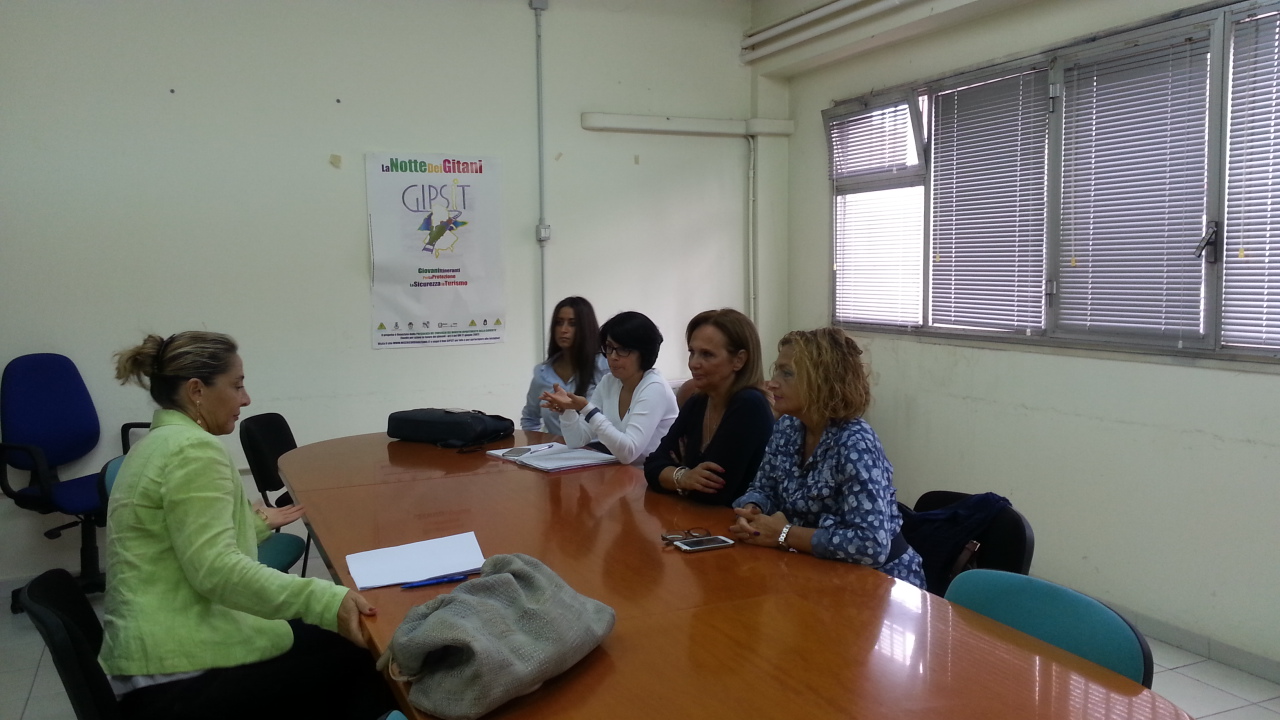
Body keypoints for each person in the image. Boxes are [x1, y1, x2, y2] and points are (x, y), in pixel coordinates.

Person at [101, 332, 395, 720]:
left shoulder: (157, 444)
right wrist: (325, 599)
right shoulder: (193, 450)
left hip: (149, 654)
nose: (246, 399)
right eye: (237, 385)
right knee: (369, 658)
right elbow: (217, 572)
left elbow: (181, 539)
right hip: (177, 675)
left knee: (338, 642)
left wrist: (253, 524)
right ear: (196, 391)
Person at [728, 328, 925, 588]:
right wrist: (753, 511)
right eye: (776, 370)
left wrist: (785, 533)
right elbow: (763, 489)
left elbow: (871, 544)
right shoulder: (787, 427)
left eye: (787, 373)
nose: (772, 383)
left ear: (821, 380)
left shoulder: (855, 441)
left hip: (882, 584)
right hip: (815, 572)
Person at [643, 309, 774, 505]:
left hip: (732, 520)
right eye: (692, 352)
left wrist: (675, 473)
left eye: (707, 354)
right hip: (695, 516)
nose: (694, 363)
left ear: (739, 360)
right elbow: (652, 465)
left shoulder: (749, 404)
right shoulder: (698, 401)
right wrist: (684, 477)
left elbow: (711, 493)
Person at [541, 311, 677, 465]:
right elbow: (576, 440)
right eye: (609, 347)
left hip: (651, 475)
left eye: (623, 349)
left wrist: (588, 410)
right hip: (620, 471)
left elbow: (628, 453)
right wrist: (567, 410)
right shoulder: (609, 382)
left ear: (644, 353)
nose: (613, 356)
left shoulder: (654, 387)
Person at [520, 296, 608, 435]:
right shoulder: (543, 372)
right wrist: (535, 444)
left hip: (599, 446)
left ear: (586, 328)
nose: (563, 330)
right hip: (556, 447)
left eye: (572, 324)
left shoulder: (604, 366)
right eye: (559, 323)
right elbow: (530, 418)